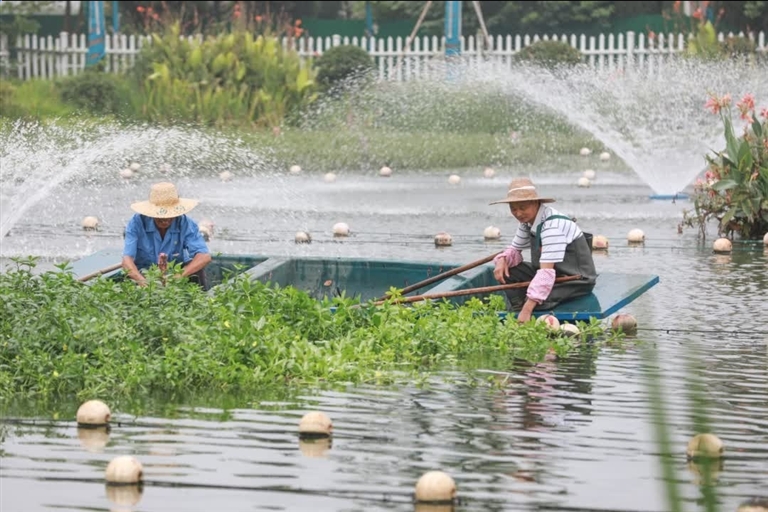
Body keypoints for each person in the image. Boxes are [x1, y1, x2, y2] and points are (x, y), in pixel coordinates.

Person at [489, 177, 597, 322]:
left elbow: (546, 272)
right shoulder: (527, 222)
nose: (518, 213)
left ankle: (524, 312)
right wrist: (502, 260)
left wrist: (528, 309)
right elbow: (514, 250)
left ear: (535, 203)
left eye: (522, 208)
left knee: (535, 302)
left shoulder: (552, 226)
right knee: (507, 271)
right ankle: (517, 310)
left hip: (574, 280)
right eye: (513, 209)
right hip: (552, 275)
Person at [122, 182, 212, 289]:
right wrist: (143, 282)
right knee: (129, 276)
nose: (165, 220)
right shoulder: (137, 222)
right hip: (144, 272)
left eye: (169, 216)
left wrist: (178, 277)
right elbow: (127, 259)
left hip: (175, 272)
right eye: (160, 216)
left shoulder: (185, 223)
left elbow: (204, 256)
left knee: (198, 270)